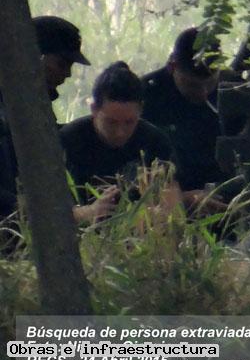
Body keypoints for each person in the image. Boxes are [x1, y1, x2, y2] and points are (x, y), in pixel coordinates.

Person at [0, 16, 91, 221]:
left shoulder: (37, 105)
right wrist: (18, 206)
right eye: (61, 64)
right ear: (35, 58)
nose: (67, 74)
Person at [59, 62, 174, 223]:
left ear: (140, 111)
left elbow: (171, 202)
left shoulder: (155, 142)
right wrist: (89, 212)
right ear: (94, 109)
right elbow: (50, 211)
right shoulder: (68, 141)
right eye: (111, 122)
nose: (120, 132)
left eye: (129, 122)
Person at [141, 28, 227, 194]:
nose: (203, 93)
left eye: (210, 84)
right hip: (168, 193)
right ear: (172, 67)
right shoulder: (148, 94)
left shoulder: (233, 89)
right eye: (193, 85)